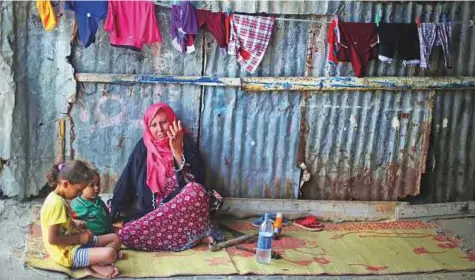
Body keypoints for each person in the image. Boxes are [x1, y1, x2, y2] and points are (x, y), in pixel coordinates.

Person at [110, 103, 214, 251]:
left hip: (184, 215)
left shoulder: (184, 141)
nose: (159, 129)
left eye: (163, 122)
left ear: (171, 121)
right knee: (127, 234)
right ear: (148, 127)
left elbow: (198, 181)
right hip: (157, 215)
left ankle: (186, 235)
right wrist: (114, 209)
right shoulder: (143, 147)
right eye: (153, 125)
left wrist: (177, 152)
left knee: (195, 190)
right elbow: (127, 180)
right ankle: (193, 237)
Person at [41, 160, 121, 278]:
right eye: (79, 190)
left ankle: (95, 259)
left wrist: (75, 223)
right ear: (66, 184)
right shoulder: (56, 205)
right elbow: (52, 239)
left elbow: (60, 224)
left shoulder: (59, 198)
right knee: (111, 254)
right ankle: (93, 264)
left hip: (75, 242)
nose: (79, 194)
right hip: (68, 253)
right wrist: (79, 238)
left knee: (115, 238)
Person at [71, 169, 114, 235]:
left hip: (106, 234)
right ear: (81, 187)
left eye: (98, 184)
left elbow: (108, 218)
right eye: (92, 185)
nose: (96, 188)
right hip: (91, 238)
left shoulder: (100, 202)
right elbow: (67, 222)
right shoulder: (76, 205)